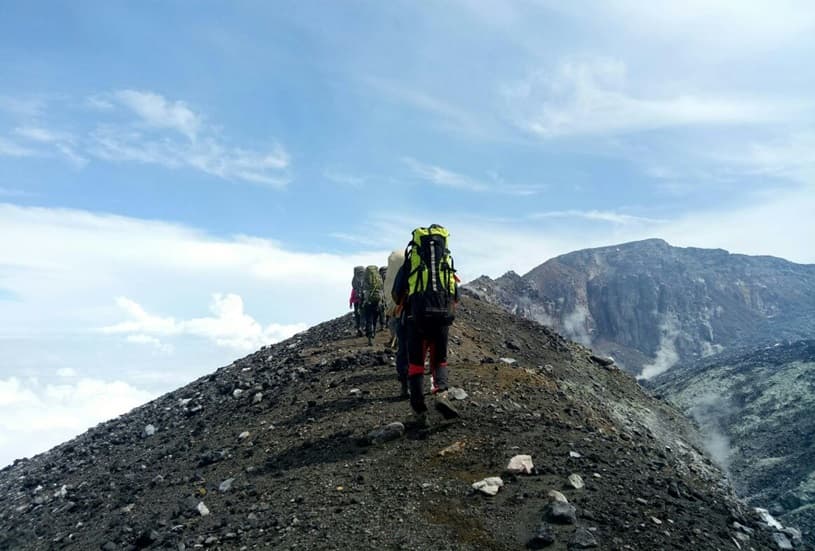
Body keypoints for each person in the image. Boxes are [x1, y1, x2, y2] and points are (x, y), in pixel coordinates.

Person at [393, 225, 459, 425]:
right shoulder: (446, 263)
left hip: (416, 320)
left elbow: (396, 295)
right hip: (442, 319)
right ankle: (441, 394)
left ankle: (419, 410)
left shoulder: (410, 264)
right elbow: (456, 295)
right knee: (440, 360)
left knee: (416, 364)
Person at [385, 250, 408, 397]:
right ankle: (438, 386)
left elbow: (394, 292)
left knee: (403, 348)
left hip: (404, 312)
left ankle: (405, 384)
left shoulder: (403, 268)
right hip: (430, 312)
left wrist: (394, 307)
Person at [361, 265, 384, 346]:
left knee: (369, 320)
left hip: (368, 302)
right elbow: (382, 288)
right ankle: (374, 332)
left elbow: (362, 289)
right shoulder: (379, 278)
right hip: (378, 302)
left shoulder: (366, 279)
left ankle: (369, 337)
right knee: (374, 319)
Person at [350, 266, 365, 336]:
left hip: (356, 301)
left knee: (357, 315)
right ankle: (364, 328)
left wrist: (350, 302)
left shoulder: (354, 280)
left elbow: (353, 292)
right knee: (363, 314)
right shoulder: (365, 278)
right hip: (364, 300)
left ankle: (359, 328)